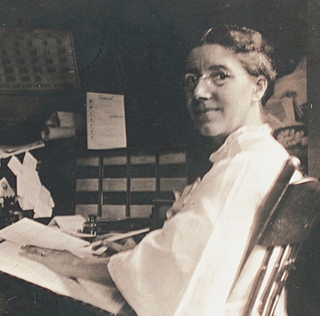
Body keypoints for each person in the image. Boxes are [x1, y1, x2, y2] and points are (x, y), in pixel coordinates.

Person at [20, 24, 299, 316]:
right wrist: (139, 257)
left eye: (220, 76)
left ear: (258, 87)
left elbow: (174, 273)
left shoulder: (243, 167)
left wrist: (72, 264)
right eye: (191, 79)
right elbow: (192, 255)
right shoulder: (266, 156)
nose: (199, 92)